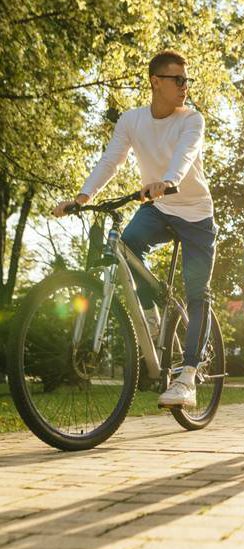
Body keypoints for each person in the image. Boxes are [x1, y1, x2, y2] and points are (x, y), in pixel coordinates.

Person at [53, 49, 217, 409]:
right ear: (155, 82)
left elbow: (185, 154)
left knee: (196, 292)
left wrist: (168, 180)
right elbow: (111, 159)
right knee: (126, 247)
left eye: (187, 80)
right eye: (178, 80)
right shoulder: (131, 120)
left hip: (195, 214)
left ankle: (187, 378)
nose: (184, 86)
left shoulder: (192, 120)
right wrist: (82, 197)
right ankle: (155, 319)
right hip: (158, 208)